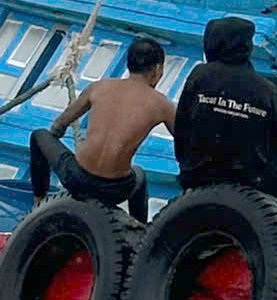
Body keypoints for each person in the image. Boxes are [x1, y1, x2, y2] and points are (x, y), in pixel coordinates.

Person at [28, 37, 173, 223]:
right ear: (157, 69)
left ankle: (38, 201)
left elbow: (58, 125)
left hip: (76, 178)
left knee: (39, 135)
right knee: (139, 176)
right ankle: (139, 227)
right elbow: (187, 141)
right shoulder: (162, 104)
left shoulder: (100, 86)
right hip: (114, 190)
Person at [172, 17, 277, 198]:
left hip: (197, 176)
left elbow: (182, 127)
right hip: (246, 182)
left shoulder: (200, 75)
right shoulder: (268, 91)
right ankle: (270, 208)